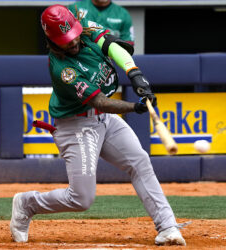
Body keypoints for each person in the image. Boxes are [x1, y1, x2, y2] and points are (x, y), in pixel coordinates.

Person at [10, 4, 187, 246]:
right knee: (81, 199)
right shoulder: (63, 70)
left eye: (72, 36)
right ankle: (27, 203)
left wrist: (135, 74)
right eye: (65, 40)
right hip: (75, 125)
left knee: (139, 161)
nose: (72, 43)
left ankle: (167, 226)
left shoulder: (86, 32)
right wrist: (136, 107)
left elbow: (114, 48)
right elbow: (101, 102)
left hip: (102, 120)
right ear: (51, 40)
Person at [68, 0, 134, 46]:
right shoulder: (75, 8)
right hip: (81, 57)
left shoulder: (123, 13)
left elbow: (128, 43)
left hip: (111, 59)